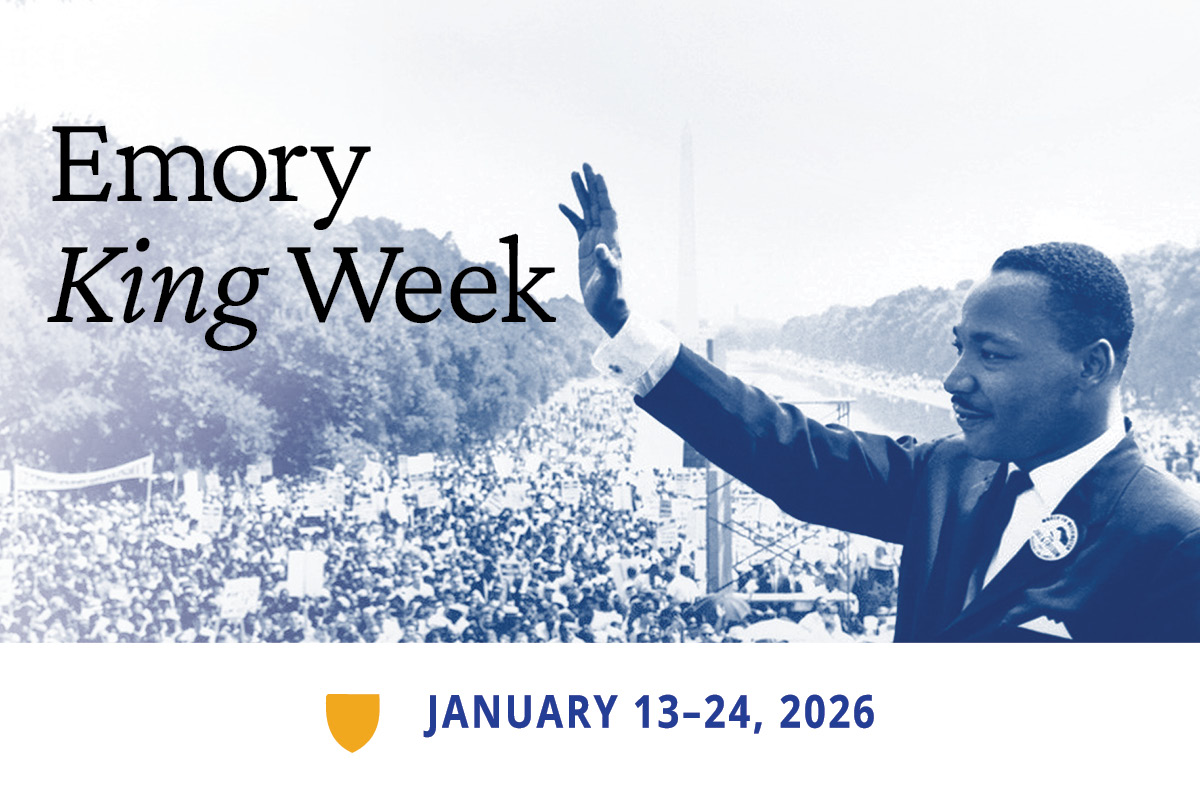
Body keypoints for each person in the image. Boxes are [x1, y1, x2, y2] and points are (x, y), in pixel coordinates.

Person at [560, 163, 1200, 642]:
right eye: (959, 348)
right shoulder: (949, 473)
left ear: (1092, 365)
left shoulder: (1175, 541)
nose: (953, 379)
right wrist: (623, 325)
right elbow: (788, 451)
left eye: (992, 355)